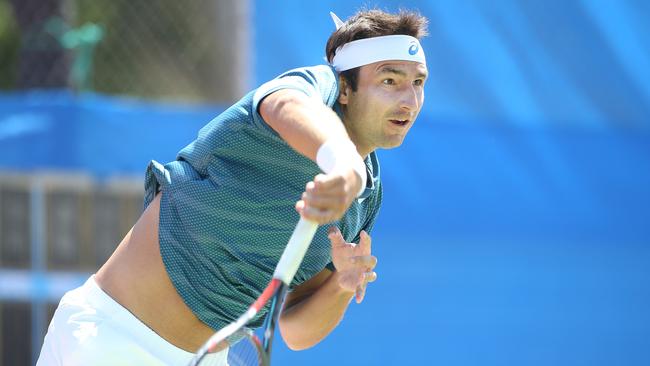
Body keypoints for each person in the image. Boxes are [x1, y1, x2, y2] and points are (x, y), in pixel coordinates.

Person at [36, 8, 429, 365]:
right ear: (345, 89)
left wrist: (341, 286)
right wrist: (342, 161)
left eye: (417, 83)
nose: (409, 99)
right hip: (111, 339)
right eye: (390, 80)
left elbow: (293, 329)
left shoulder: (365, 193)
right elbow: (285, 105)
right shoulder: (314, 88)